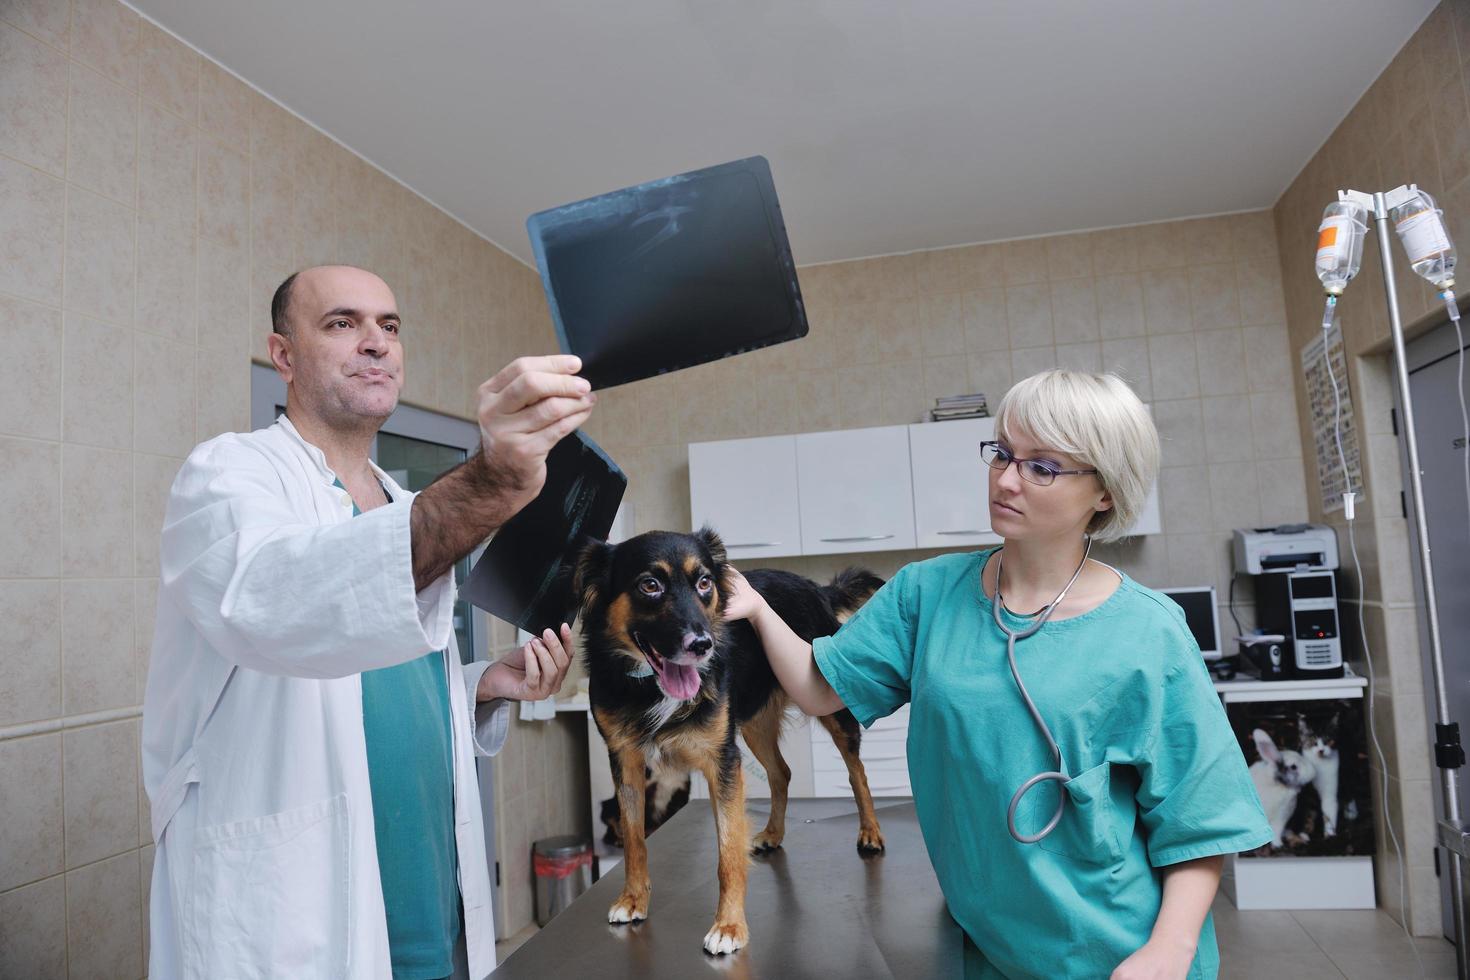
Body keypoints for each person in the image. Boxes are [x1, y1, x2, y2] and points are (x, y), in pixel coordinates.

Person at [723, 369, 1271, 979]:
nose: (1007, 479)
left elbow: (1199, 819)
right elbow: (820, 688)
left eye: (1043, 467)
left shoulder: (1149, 633)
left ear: (1105, 493)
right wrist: (755, 606)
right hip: (988, 947)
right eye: (1003, 454)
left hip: (1122, 954)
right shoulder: (927, 594)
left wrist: (1168, 952)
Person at [141, 265, 596, 980]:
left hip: (431, 907)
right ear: (283, 355)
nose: (377, 342)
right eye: (342, 323)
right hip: (303, 922)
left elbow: (382, 680)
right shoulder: (228, 477)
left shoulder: (400, 503)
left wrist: (481, 685)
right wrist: (494, 477)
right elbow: (282, 604)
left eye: (389, 325)